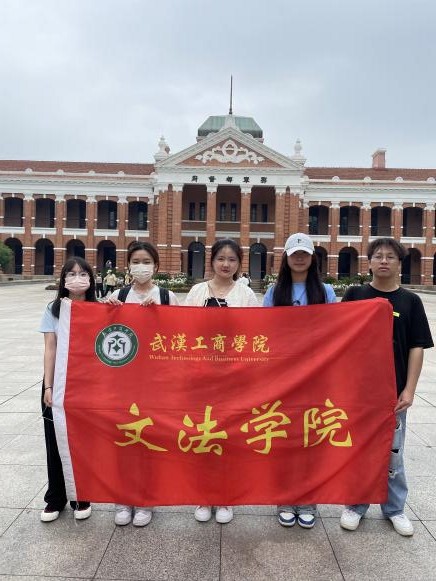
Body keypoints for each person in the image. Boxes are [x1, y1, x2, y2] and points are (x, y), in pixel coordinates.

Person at [339, 238, 433, 536]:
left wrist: (409, 389)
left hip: (393, 392)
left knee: (393, 453)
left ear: (399, 263)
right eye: (378, 256)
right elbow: (337, 337)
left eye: (390, 256)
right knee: (359, 449)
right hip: (359, 391)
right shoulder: (355, 295)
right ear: (368, 262)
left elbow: (417, 346)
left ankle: (394, 508)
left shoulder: (410, 301)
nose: (383, 261)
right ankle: (356, 505)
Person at [263, 232, 336, 529]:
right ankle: (284, 497)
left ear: (312, 258)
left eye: (305, 253)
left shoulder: (325, 291)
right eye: (295, 254)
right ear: (287, 258)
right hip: (282, 377)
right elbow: (263, 333)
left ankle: (307, 499)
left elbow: (335, 330)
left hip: (315, 376)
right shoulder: (274, 292)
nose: (300, 258)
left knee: (310, 438)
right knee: (283, 436)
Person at [185, 238, 259, 524]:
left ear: (239, 263)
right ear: (212, 261)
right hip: (201, 376)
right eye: (221, 258)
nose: (226, 264)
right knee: (204, 434)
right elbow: (180, 327)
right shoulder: (197, 291)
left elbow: (255, 334)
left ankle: (227, 496)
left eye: (232, 259)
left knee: (230, 436)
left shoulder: (246, 294)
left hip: (234, 377)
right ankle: (204, 496)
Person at [106, 241, 179, 526]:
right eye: (136, 261)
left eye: (146, 261)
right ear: (128, 266)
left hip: (155, 382)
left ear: (156, 266)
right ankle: (123, 499)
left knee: (149, 440)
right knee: (124, 440)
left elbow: (181, 336)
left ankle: (146, 500)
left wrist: (161, 313)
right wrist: (107, 310)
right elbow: (103, 336)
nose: (141, 266)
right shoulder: (119, 295)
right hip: (123, 382)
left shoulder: (167, 296)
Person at [39, 257, 97, 522]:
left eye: (83, 274)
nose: (77, 279)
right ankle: (55, 498)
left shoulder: (98, 309)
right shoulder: (54, 310)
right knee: (55, 441)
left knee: (83, 442)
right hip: (59, 383)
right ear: (63, 280)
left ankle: (81, 495)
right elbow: (50, 349)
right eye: (71, 274)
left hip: (87, 385)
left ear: (91, 280)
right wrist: (48, 386)